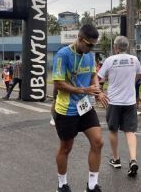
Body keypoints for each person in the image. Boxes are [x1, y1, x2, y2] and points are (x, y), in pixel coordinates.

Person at [52, 25, 109, 192]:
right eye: (89, 44)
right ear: (79, 38)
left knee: (98, 142)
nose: (91, 48)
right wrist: (85, 90)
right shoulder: (63, 55)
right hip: (67, 109)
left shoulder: (89, 55)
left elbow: (93, 75)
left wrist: (97, 91)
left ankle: (92, 185)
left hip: (85, 107)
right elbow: (58, 83)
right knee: (66, 147)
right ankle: (62, 184)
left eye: (94, 45)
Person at [97, 36, 141, 177]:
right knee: (130, 131)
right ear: (127, 47)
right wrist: (129, 81)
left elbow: (98, 78)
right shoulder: (134, 60)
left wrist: (100, 92)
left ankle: (116, 159)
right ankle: (133, 160)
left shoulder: (110, 60)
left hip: (114, 101)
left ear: (115, 47)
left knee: (113, 130)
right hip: (130, 101)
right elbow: (140, 76)